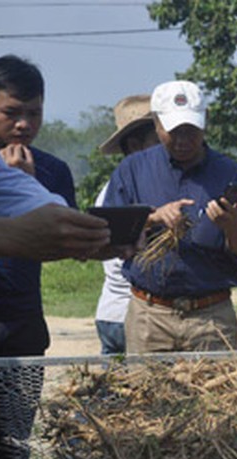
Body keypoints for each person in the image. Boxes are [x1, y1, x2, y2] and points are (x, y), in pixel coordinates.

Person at [103, 80, 237, 353]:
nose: (183, 140)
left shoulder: (231, 174)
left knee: (215, 395)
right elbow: (109, 233)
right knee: (145, 394)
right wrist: (153, 218)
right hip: (150, 317)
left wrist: (232, 226)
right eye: (174, 131)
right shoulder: (132, 170)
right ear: (156, 123)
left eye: (192, 130)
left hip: (211, 317)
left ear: (205, 122)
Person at [0, 56, 80, 459]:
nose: (24, 124)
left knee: (14, 441)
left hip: (23, 324)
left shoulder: (51, 169)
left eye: (34, 112)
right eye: (12, 113)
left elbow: (65, 245)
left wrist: (26, 188)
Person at [93, 94, 158, 355]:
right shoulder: (131, 190)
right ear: (134, 145)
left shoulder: (112, 187)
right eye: (159, 140)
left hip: (112, 311)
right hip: (130, 315)